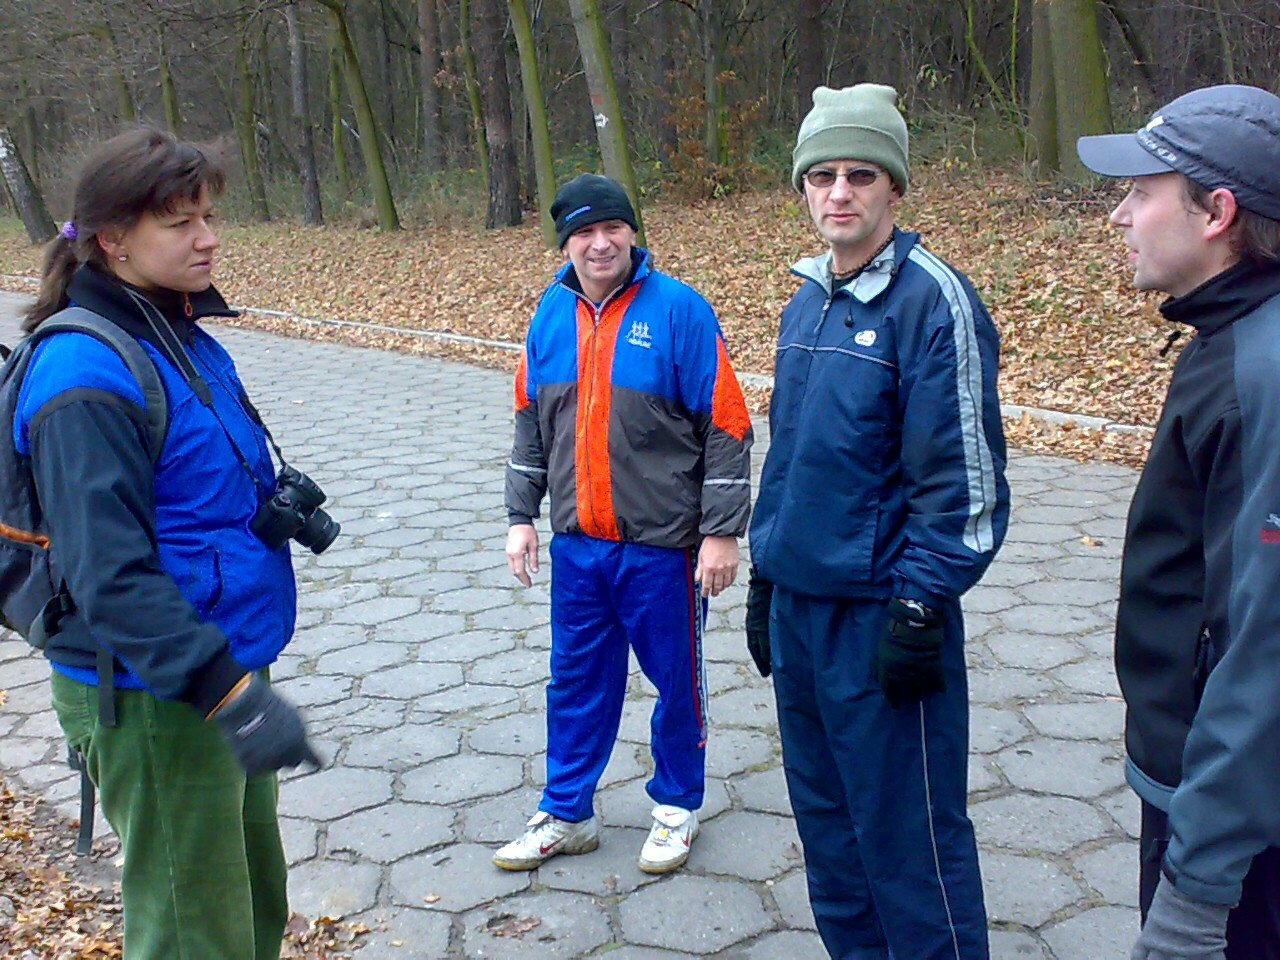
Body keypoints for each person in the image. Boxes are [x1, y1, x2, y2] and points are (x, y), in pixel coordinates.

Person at [13, 127, 320, 959]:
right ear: (113, 239)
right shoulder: (84, 372)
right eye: (180, 223)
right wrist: (228, 693)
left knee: (252, 904)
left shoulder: (170, 328)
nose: (208, 238)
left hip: (216, 669)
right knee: (194, 934)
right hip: (156, 694)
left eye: (209, 216)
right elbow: (106, 574)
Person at [745, 84, 1009, 959]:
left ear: (895, 186)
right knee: (831, 838)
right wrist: (767, 571)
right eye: (821, 175)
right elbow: (790, 459)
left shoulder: (933, 303)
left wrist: (920, 606)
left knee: (910, 847)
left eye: (861, 174)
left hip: (883, 622)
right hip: (801, 614)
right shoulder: (807, 300)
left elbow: (964, 487)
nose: (839, 193)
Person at [497, 173, 752, 875]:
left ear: (632, 233)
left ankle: (676, 805)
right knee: (574, 682)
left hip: (664, 551)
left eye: (612, 228)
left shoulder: (680, 312)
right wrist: (521, 517)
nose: (600, 243)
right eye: (583, 232)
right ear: (565, 243)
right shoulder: (549, 317)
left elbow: (727, 424)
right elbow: (529, 425)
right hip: (580, 549)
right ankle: (566, 811)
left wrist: (721, 532)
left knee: (677, 683)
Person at [1077, 85, 1280, 960]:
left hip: (1236, 834)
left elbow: (1266, 651)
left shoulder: (1260, 374)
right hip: (1205, 792)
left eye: (1141, 192)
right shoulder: (1230, 335)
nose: (1119, 215)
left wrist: (1197, 892)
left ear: (1217, 213)